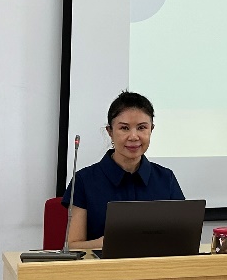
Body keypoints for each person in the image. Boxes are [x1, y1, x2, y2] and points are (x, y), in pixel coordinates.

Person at [62, 91, 184, 250]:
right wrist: (107, 243)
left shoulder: (166, 178)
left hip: (154, 264)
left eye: (142, 128)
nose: (133, 136)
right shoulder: (84, 181)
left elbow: (182, 238)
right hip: (102, 265)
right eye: (124, 128)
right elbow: (73, 246)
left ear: (151, 130)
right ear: (110, 132)